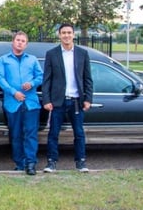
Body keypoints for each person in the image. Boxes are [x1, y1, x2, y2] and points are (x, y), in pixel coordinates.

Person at [41, 23, 93, 173]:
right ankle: (51, 162)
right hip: (58, 101)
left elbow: (87, 78)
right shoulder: (52, 54)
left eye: (69, 32)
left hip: (77, 100)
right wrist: (47, 100)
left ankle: (81, 162)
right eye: (63, 33)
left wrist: (88, 99)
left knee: (79, 133)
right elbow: (47, 80)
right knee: (53, 133)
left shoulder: (82, 54)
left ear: (73, 34)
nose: (66, 35)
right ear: (59, 35)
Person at [0, 31, 43, 176]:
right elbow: (0, 78)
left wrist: (32, 83)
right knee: (15, 135)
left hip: (31, 103)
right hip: (12, 102)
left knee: (30, 134)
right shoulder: (3, 60)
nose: (20, 42)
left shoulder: (33, 60)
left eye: (23, 41)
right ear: (13, 42)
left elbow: (40, 76)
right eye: (18, 40)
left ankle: (30, 163)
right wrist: (13, 92)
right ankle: (19, 163)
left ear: (26, 44)